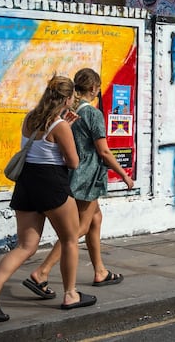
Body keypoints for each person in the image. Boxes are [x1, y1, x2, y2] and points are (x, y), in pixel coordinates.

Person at [0, 76, 96, 323]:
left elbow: (40, 146)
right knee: (70, 239)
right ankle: (71, 294)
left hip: (27, 183)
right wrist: (67, 130)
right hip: (51, 184)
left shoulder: (29, 118)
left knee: (25, 246)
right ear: (69, 98)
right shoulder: (60, 125)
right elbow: (73, 162)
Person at [26, 69, 134, 294]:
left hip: (71, 174)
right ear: (94, 88)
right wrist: (123, 175)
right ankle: (42, 272)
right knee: (79, 228)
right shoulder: (92, 114)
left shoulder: (68, 110)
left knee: (95, 219)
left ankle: (100, 271)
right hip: (88, 177)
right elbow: (103, 151)